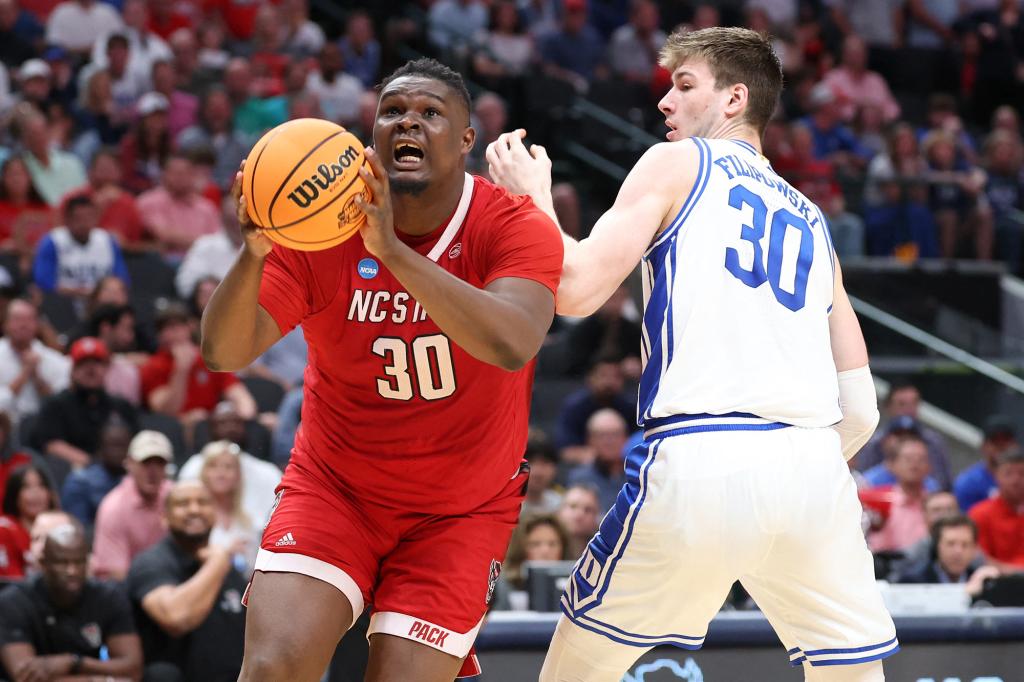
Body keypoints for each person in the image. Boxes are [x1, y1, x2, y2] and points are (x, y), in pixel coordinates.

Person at [488, 26, 896, 680]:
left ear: (734, 99)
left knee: (580, 665)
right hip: (813, 474)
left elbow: (576, 288)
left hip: (703, 455)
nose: (664, 105)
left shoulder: (677, 163)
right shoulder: (815, 221)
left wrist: (529, 194)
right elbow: (863, 411)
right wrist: (783, 474)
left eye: (684, 86)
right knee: (850, 675)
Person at [200, 57, 561, 681]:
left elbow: (513, 342)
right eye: (392, 112)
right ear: (371, 138)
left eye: (429, 113)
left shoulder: (511, 225)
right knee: (271, 669)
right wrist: (255, 250)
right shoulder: (316, 231)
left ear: (466, 139)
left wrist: (391, 252)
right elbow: (224, 353)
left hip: (460, 511)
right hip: (335, 488)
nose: (407, 123)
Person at [126, 480, 247, 682]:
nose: (194, 510)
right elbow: (176, 617)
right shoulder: (151, 563)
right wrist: (217, 563)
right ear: (164, 517)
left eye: (203, 502)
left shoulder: (230, 570)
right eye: (183, 504)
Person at [0, 521, 143, 682]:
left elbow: (132, 670)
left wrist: (73, 662)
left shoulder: (108, 596)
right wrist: (100, 679)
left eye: (79, 562)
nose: (72, 571)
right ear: (43, 564)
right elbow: (25, 677)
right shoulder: (14, 601)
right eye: (62, 563)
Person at [30, 337, 138, 473]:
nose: (91, 369)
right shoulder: (56, 405)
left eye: (97, 363)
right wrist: (93, 464)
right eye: (84, 363)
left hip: (120, 472)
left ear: (106, 368)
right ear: (73, 370)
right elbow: (51, 444)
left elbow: (138, 442)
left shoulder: (120, 405)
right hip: (74, 474)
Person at [141, 303, 255, 424]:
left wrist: (244, 418)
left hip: (209, 424)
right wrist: (181, 369)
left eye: (176, 327)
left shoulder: (208, 359)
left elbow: (240, 396)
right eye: (164, 329)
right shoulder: (153, 366)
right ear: (159, 335)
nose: (171, 334)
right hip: (175, 429)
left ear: (190, 327)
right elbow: (165, 412)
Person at [90, 430, 173, 580]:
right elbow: (115, 574)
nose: (152, 471)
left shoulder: (176, 497)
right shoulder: (113, 508)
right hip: (130, 590)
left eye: (159, 463)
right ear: (129, 464)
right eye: (146, 463)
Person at [856, 382, 953, 490]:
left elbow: (944, 484)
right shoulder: (872, 442)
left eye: (914, 403)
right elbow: (862, 479)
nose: (909, 409)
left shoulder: (933, 441)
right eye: (902, 404)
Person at [32, 194, 131, 299]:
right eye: (78, 218)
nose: (84, 223)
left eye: (89, 217)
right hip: (64, 302)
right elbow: (44, 283)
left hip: (101, 304)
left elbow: (122, 280)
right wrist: (79, 292)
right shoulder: (53, 241)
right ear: (67, 219)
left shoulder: (107, 241)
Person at [0, 298, 70, 425]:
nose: (23, 325)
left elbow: (63, 408)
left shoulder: (56, 361)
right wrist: (25, 373)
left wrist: (37, 377)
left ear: (37, 325)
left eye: (29, 320)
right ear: (5, 323)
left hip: (41, 430)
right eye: (17, 319)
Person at [897, 516, 999, 596]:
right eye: (951, 544)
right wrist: (964, 594)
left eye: (965, 544)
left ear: (974, 549)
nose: (958, 551)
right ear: (937, 546)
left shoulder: (984, 583)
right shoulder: (913, 582)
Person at [59, 416, 130, 529]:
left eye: (123, 446)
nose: (119, 452)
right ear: (100, 448)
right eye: (113, 445)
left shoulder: (134, 481)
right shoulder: (79, 482)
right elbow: (78, 530)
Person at [867, 435, 932, 553]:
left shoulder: (936, 504)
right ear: (891, 465)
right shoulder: (878, 499)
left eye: (921, 459)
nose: (915, 464)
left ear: (929, 466)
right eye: (908, 459)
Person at [968, 449, 1024, 571]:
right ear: (996, 476)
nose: (1016, 480)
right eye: (1008, 473)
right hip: (996, 582)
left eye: (1022, 473)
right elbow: (978, 559)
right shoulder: (980, 513)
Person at [0, 463, 58, 578]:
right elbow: (11, 583)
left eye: (41, 486)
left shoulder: (61, 525)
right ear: (15, 495)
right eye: (26, 487)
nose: (35, 493)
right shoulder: (4, 531)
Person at [567, 408, 629, 513]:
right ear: (590, 440)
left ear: (625, 438)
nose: (609, 442)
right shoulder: (579, 478)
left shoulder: (638, 476)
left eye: (615, 434)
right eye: (601, 436)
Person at [955, 417, 1018, 513]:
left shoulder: (1020, 480)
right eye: (995, 441)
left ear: (1015, 445)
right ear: (983, 446)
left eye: (1006, 441)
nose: (1001, 447)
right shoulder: (968, 482)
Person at [521, 428, 563, 517]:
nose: (538, 472)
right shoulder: (505, 505)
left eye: (545, 463)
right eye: (531, 462)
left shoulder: (562, 505)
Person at [556, 483, 600, 560]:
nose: (579, 514)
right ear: (559, 511)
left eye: (588, 510)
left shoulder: (604, 552)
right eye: (573, 506)